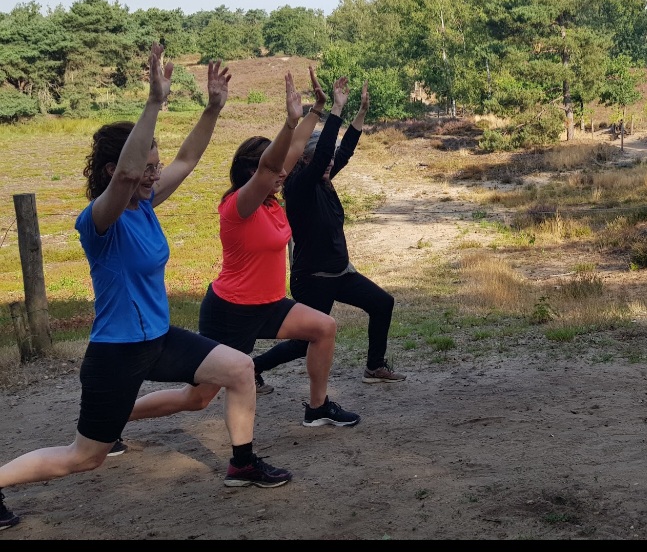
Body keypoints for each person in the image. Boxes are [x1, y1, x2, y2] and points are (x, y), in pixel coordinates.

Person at [0, 45, 290, 532]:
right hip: (116, 352)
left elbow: (188, 157)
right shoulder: (101, 219)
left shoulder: (145, 205)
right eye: (145, 166)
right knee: (84, 457)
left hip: (158, 337)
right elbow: (132, 172)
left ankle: (242, 463)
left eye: (155, 165)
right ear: (115, 171)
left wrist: (213, 108)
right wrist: (153, 103)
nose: (154, 172)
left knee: (239, 369)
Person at [126, 66, 360, 430]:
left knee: (324, 327)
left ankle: (317, 407)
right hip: (231, 313)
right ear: (251, 172)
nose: (282, 173)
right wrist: (287, 123)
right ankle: (113, 417)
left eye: (283, 169)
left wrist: (317, 110)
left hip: (268, 305)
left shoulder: (270, 201)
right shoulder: (240, 205)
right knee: (198, 399)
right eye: (272, 170)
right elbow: (271, 165)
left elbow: (292, 152)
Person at [252, 77, 405, 394]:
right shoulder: (300, 188)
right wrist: (334, 108)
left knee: (382, 304)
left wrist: (359, 113)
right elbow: (325, 155)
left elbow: (343, 152)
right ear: (305, 160)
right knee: (304, 342)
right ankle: (253, 367)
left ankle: (375, 366)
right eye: (323, 159)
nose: (331, 163)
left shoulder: (322, 179)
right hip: (314, 278)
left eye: (330, 160)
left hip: (339, 272)